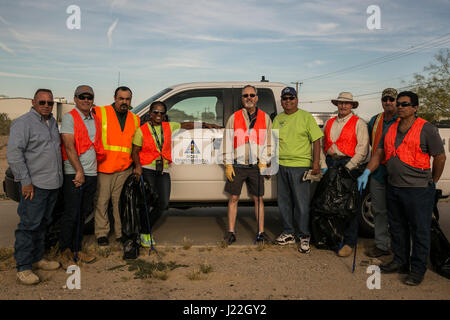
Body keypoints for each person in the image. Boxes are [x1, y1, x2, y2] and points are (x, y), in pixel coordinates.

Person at [357, 91, 446, 286]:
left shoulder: (426, 129)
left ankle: (417, 269)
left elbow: (440, 156)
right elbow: (379, 153)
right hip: (394, 187)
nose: (399, 107)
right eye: (398, 104)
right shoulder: (390, 128)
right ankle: (400, 262)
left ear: (415, 108)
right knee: (397, 229)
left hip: (418, 190)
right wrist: (367, 172)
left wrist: (433, 180)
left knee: (419, 231)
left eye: (404, 104)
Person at [132, 101, 219, 247]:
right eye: (155, 112)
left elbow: (187, 125)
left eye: (161, 113)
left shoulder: (168, 127)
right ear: (150, 114)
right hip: (147, 168)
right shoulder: (142, 130)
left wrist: (206, 124)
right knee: (147, 203)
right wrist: (137, 167)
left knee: (164, 203)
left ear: (165, 115)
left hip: (163, 169)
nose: (158, 115)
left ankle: (143, 229)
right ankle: (145, 233)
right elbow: (135, 151)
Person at [7, 88, 63, 285]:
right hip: (35, 185)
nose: (47, 106)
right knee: (29, 226)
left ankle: (38, 258)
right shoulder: (23, 124)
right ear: (33, 102)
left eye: (50, 103)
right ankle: (23, 267)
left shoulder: (52, 122)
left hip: (52, 184)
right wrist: (26, 182)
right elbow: (14, 155)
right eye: (42, 102)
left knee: (43, 224)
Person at [272, 87, 324, 253]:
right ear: (281, 101)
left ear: (296, 99)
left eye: (291, 98)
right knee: (284, 202)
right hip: (281, 165)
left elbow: (316, 140)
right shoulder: (277, 119)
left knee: (301, 204)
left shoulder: (305, 117)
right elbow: (272, 142)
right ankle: (288, 233)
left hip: (300, 166)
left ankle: (304, 236)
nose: (288, 101)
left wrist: (315, 163)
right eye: (285, 98)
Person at [59, 85, 103, 268]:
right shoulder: (70, 118)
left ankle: (77, 250)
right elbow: (69, 147)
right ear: (75, 99)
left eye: (89, 97)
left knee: (83, 214)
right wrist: (79, 171)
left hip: (91, 173)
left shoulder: (95, 118)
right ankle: (64, 251)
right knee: (71, 213)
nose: (86, 99)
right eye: (82, 96)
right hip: (75, 173)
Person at [222, 85, 272, 245]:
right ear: (242, 99)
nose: (249, 98)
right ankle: (230, 232)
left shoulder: (265, 118)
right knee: (234, 198)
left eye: (251, 95)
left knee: (258, 198)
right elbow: (227, 143)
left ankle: (261, 233)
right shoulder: (234, 117)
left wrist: (264, 160)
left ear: (256, 98)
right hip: (237, 164)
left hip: (256, 166)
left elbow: (269, 143)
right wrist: (228, 164)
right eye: (245, 96)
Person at [321, 92, 369, 257]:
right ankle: (336, 238)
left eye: (346, 104)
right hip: (331, 164)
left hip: (348, 164)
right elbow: (322, 145)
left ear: (352, 106)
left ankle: (349, 242)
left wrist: (349, 166)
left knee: (349, 206)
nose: (343, 106)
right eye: (340, 103)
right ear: (337, 105)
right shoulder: (329, 122)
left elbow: (363, 149)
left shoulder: (359, 123)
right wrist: (323, 165)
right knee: (332, 204)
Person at [92, 86, 140, 246]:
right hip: (104, 168)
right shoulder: (100, 112)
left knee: (120, 204)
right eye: (121, 98)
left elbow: (135, 145)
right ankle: (101, 233)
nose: (124, 102)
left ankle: (120, 234)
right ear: (115, 98)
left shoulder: (135, 119)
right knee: (102, 202)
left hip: (124, 169)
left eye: (127, 99)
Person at [365, 88, 398, 258]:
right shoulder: (374, 120)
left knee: (398, 212)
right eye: (385, 99)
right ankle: (381, 245)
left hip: (398, 173)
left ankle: (400, 247)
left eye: (391, 99)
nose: (388, 102)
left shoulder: (403, 119)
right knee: (378, 210)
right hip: (378, 172)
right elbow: (374, 144)